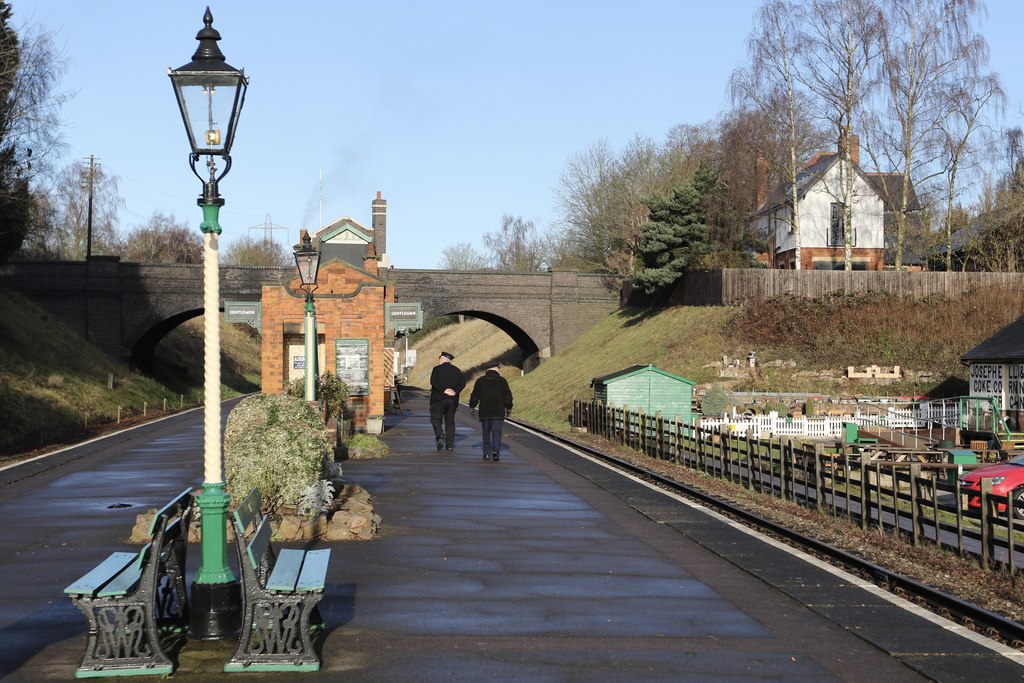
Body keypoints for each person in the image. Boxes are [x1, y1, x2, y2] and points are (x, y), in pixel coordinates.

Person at [469, 363, 514, 462]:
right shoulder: (502, 381)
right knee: (497, 432)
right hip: (498, 412)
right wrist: (509, 407)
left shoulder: (480, 381)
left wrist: (472, 406)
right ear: (496, 369)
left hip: (484, 411)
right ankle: (496, 452)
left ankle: (486, 453)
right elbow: (508, 397)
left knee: (486, 432)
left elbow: (475, 396)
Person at [429, 351, 465, 451]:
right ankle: (449, 446)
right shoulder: (457, 370)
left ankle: (440, 435)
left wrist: (443, 390)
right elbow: (462, 383)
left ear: (442, 359)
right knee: (450, 422)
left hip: (438, 399)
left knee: (435, 419)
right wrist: (454, 391)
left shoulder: (436, 369)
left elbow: (433, 382)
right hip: (452, 400)